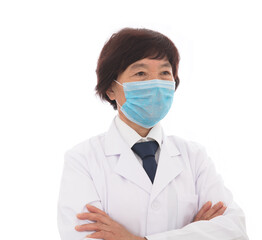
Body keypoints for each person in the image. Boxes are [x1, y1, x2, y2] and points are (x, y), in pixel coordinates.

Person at [57, 28, 248, 240]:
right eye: (140, 73)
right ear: (111, 89)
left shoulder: (194, 157)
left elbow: (234, 231)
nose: (155, 83)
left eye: (165, 73)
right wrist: (194, 232)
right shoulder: (83, 159)